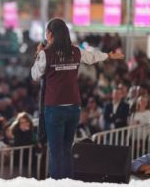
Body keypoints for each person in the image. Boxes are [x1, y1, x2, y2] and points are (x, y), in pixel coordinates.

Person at [31, 18, 124, 179]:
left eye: (46, 31)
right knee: (67, 149)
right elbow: (93, 57)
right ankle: (68, 182)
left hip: (54, 108)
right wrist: (109, 55)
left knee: (55, 151)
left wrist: (38, 54)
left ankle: (56, 183)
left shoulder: (46, 54)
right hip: (74, 107)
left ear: (50, 34)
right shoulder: (76, 51)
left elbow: (35, 75)